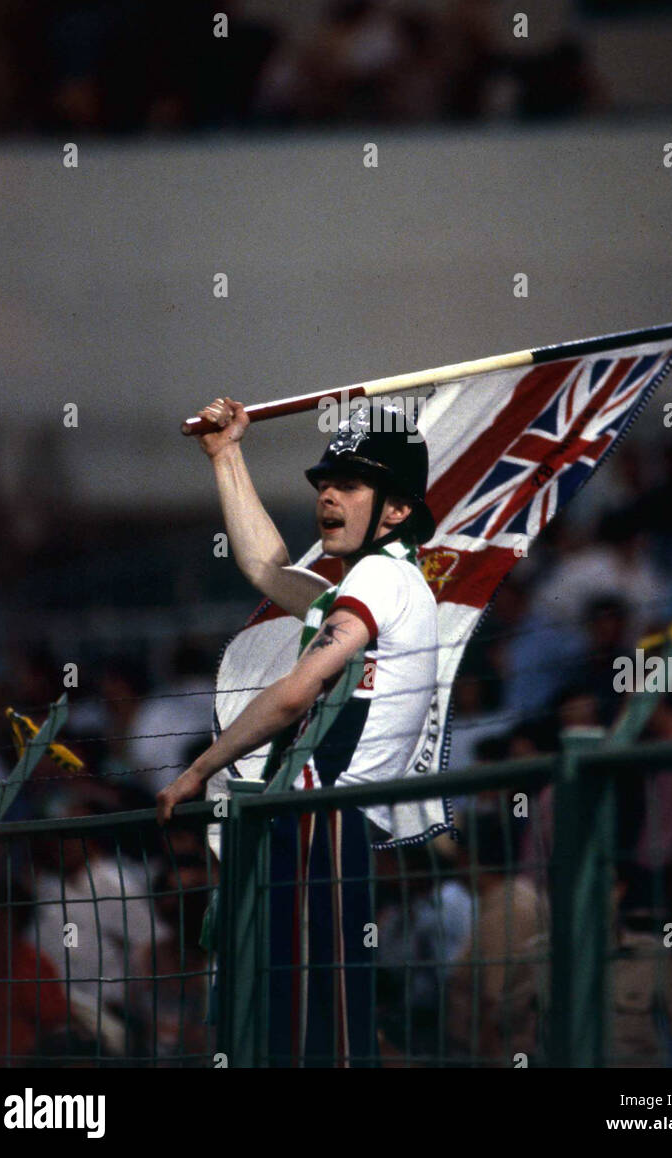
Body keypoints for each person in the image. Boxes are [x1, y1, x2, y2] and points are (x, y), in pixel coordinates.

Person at [156, 395, 439, 1067]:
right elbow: (264, 569)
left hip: (321, 825)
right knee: (300, 1028)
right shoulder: (374, 585)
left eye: (350, 484)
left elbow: (293, 693)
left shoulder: (380, 576)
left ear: (396, 509)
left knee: (312, 1034)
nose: (328, 498)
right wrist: (227, 454)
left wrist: (200, 769)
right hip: (317, 827)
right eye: (324, 484)